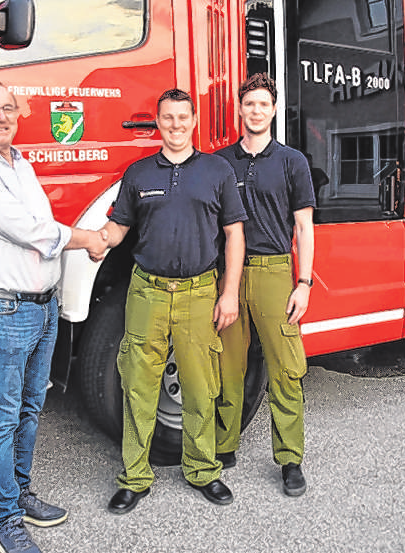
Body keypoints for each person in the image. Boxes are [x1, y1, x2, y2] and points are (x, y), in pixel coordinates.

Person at [0, 79, 108, 553]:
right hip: (3, 308)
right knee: (0, 419)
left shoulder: (20, 164)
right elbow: (28, 230)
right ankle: (6, 521)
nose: (0, 116)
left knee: (30, 409)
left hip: (40, 308)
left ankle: (20, 493)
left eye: (8, 108)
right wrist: (89, 238)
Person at [96, 88, 247, 514]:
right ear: (157, 123)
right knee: (138, 387)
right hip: (147, 292)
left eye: (183, 117)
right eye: (167, 118)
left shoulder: (216, 171)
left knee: (201, 389)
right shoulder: (139, 173)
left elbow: (234, 233)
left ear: (194, 120)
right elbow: (118, 229)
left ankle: (203, 470)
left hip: (200, 294)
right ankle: (135, 478)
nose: (176, 125)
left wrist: (229, 292)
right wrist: (90, 240)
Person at [214, 73, 316, 497]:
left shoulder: (292, 161)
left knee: (286, 370)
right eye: (249, 104)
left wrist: (304, 282)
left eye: (263, 104)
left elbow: (304, 228)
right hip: (231, 274)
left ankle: (290, 459)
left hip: (276, 273)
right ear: (239, 109)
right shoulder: (219, 162)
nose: (255, 111)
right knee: (226, 365)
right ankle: (223, 446)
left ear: (273, 110)